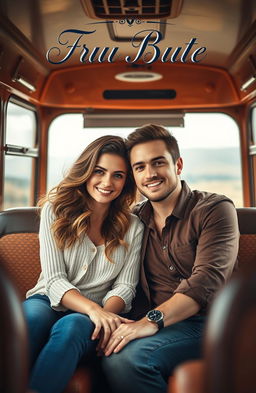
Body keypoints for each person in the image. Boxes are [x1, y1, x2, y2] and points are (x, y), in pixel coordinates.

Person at [102, 124, 240, 393]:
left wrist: (149, 322)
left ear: (177, 165)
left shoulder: (215, 209)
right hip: (154, 324)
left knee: (128, 360)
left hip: (210, 323)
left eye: (158, 163)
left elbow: (206, 281)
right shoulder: (131, 221)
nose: (150, 174)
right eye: (139, 167)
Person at [23, 135, 144, 393]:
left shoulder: (133, 226)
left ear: (127, 181)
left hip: (100, 308)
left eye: (118, 175)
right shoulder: (55, 211)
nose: (107, 183)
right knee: (30, 318)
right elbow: (54, 280)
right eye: (99, 171)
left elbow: (125, 286)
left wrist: (104, 315)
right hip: (47, 298)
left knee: (74, 325)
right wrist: (93, 310)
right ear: (86, 170)